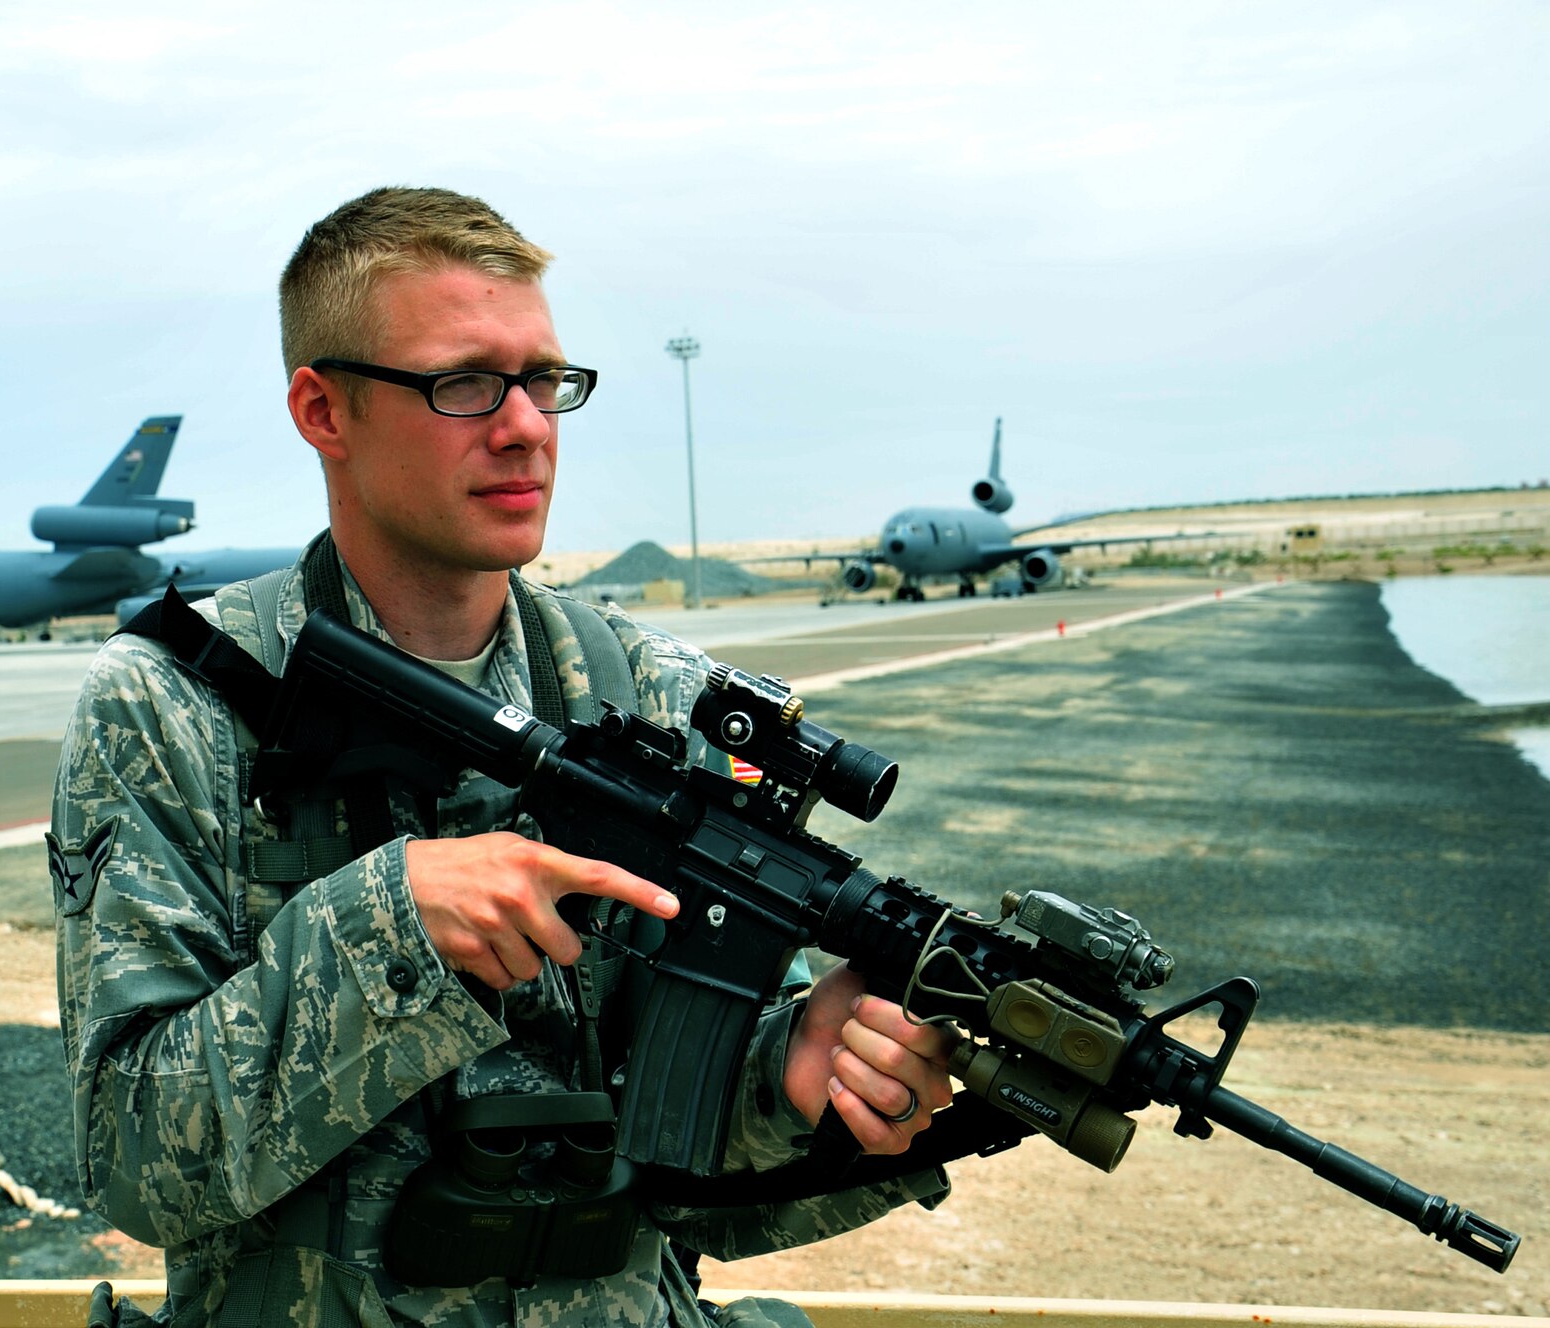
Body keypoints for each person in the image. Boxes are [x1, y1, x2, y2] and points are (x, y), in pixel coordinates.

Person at [52, 186, 958, 1328]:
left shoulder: (656, 695)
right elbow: (140, 1165)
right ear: (323, 409)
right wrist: (388, 929)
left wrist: (788, 1077)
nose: (525, 423)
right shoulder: (176, 704)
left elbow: (693, 1190)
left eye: (545, 381)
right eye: (464, 382)